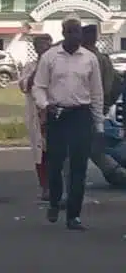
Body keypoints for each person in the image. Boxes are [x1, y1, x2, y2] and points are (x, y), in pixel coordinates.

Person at [31, 17, 103, 230]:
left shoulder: (89, 59)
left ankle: (74, 215)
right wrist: (45, 105)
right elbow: (38, 86)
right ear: (63, 33)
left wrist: (98, 125)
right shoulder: (50, 57)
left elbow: (97, 93)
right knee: (55, 164)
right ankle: (54, 201)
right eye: (70, 32)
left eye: (77, 31)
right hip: (57, 114)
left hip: (81, 114)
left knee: (79, 167)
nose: (74, 36)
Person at [20, 34, 53, 200]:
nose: (42, 49)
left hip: (53, 114)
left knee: (55, 152)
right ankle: (45, 187)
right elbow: (25, 85)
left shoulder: (56, 65)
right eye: (39, 46)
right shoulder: (30, 67)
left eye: (46, 46)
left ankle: (56, 187)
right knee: (40, 154)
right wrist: (39, 67)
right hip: (36, 116)